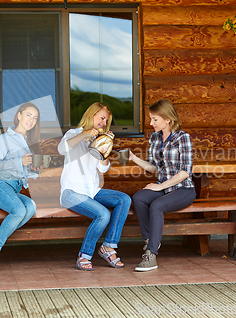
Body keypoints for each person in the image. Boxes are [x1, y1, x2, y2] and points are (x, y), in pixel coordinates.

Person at [58, 102, 131, 271]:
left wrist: (105, 146)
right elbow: (62, 149)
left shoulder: (99, 139)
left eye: (106, 120)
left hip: (92, 191)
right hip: (71, 192)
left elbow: (103, 168)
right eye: (102, 118)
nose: (104, 123)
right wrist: (85, 134)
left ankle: (109, 246)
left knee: (123, 199)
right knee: (103, 214)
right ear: (91, 115)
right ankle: (84, 256)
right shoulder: (74, 133)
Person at [129, 99, 195, 272]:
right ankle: (150, 242)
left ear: (168, 119)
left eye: (155, 119)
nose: (151, 123)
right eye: (150, 119)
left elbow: (185, 172)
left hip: (183, 189)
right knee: (139, 198)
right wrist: (134, 159)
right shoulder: (155, 138)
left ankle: (151, 255)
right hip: (164, 187)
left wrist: (159, 187)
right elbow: (154, 168)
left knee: (157, 205)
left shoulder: (183, 138)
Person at [0, 102, 42, 273]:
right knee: (19, 210)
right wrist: (19, 161)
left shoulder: (29, 142)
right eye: (29, 115)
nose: (31, 120)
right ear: (19, 115)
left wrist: (35, 169)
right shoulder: (5, 139)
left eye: (35, 118)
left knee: (30, 207)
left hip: (14, 188)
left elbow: (24, 173)